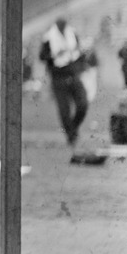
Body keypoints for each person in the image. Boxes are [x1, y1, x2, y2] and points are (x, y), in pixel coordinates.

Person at [39, 16, 89, 153]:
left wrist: (80, 67)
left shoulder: (72, 34)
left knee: (83, 104)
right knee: (64, 110)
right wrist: (54, 55)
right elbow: (42, 56)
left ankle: (73, 128)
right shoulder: (48, 38)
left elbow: (80, 52)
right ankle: (71, 136)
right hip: (58, 77)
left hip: (73, 75)